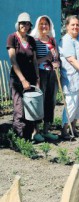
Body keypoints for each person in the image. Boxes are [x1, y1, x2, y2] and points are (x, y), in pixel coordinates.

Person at [6, 12, 40, 140]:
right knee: (19, 109)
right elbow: (13, 60)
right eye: (22, 23)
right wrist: (22, 80)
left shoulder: (31, 40)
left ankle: (28, 138)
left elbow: (35, 61)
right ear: (18, 24)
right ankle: (19, 140)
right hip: (17, 80)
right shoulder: (12, 38)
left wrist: (37, 78)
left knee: (30, 109)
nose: (24, 26)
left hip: (31, 79)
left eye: (27, 23)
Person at [31, 15, 60, 142]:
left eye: (46, 24)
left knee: (51, 101)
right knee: (39, 102)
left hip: (52, 74)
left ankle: (46, 130)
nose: (44, 26)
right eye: (41, 23)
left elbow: (56, 58)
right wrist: (46, 57)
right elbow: (32, 61)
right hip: (40, 74)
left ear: (49, 26)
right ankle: (36, 131)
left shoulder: (52, 40)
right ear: (38, 25)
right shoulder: (34, 40)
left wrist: (57, 62)